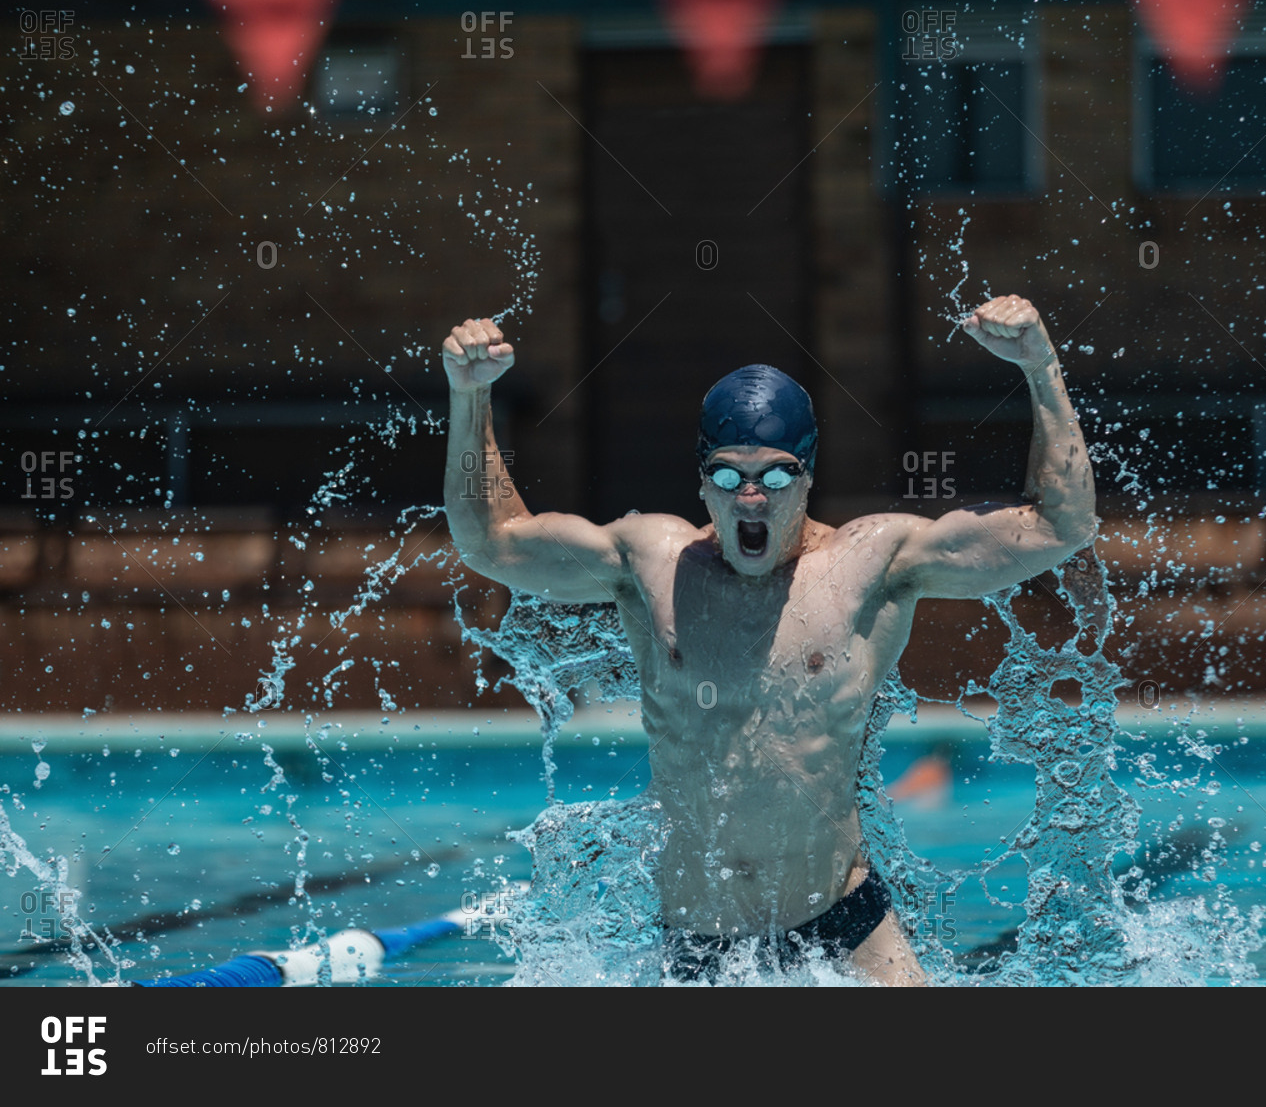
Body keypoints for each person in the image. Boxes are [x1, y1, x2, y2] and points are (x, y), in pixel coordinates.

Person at [441, 294, 1097, 985]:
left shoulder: (874, 562)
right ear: (701, 479)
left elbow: (1060, 526)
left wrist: (1040, 367)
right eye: (729, 475)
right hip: (697, 943)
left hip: (844, 929)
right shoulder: (652, 563)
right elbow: (492, 541)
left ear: (809, 474)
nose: (752, 498)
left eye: (776, 475)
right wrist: (469, 401)